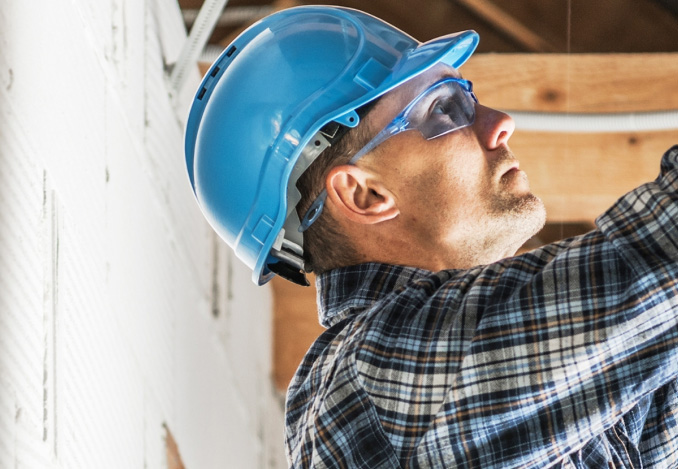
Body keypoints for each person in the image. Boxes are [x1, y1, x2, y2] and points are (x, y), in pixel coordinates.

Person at [184, 5, 678, 468]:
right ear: (363, 193)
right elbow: (658, 268)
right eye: (444, 109)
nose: (500, 123)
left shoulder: (590, 410)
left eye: (469, 97)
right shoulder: (368, 379)